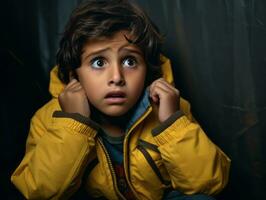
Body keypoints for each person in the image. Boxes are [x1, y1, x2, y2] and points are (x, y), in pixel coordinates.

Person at [11, 0, 231, 199]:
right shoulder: (48, 118)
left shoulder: (170, 108)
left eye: (129, 62)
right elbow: (38, 192)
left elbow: (209, 184)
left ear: (149, 71)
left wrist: (172, 122)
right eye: (98, 62)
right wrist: (73, 124)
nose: (116, 78)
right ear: (73, 75)